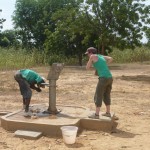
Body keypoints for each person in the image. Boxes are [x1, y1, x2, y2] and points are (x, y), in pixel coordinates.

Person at [85, 47, 114, 119]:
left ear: (90, 53)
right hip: (110, 77)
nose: (87, 55)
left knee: (98, 95)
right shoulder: (100, 56)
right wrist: (103, 66)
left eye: (87, 53)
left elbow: (87, 68)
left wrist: (90, 61)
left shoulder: (92, 56)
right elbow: (111, 58)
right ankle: (108, 113)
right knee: (106, 94)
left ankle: (96, 115)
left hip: (103, 78)